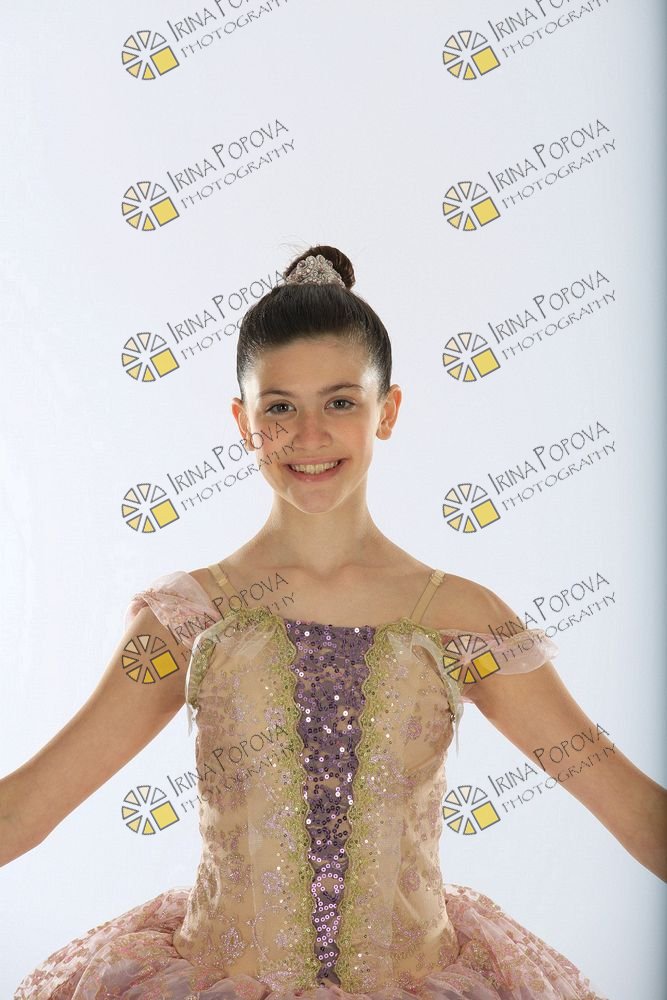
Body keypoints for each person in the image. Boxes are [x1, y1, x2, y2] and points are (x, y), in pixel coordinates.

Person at [3, 245, 665, 1000]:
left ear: (388, 411)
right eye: (280, 407)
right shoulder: (190, 617)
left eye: (341, 402)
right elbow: (26, 809)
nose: (309, 435)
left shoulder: (461, 619)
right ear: (243, 423)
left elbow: (632, 809)